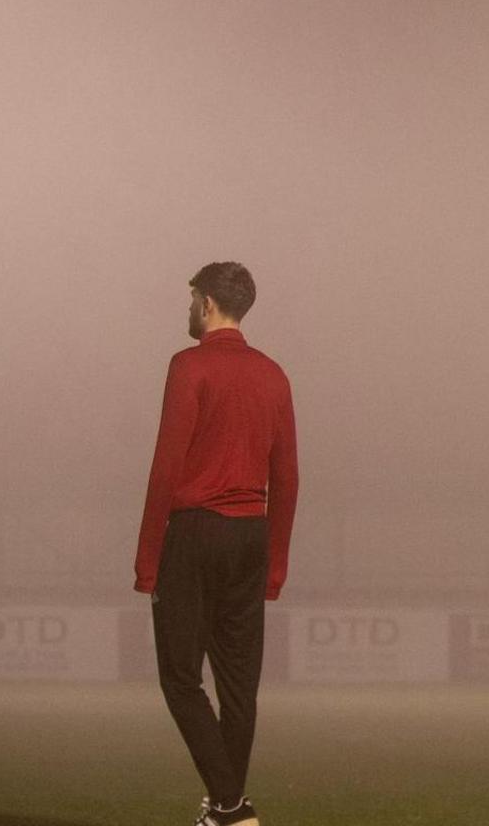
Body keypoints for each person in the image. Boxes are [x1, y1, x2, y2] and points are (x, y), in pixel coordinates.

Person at [134, 263, 299, 826]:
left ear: (206, 304)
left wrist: (146, 558)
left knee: (180, 678)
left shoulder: (189, 366)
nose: (187, 309)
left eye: (190, 299)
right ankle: (222, 811)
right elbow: (289, 476)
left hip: (195, 532)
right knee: (239, 686)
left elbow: (166, 466)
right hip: (250, 535)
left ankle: (231, 808)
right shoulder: (273, 374)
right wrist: (276, 564)